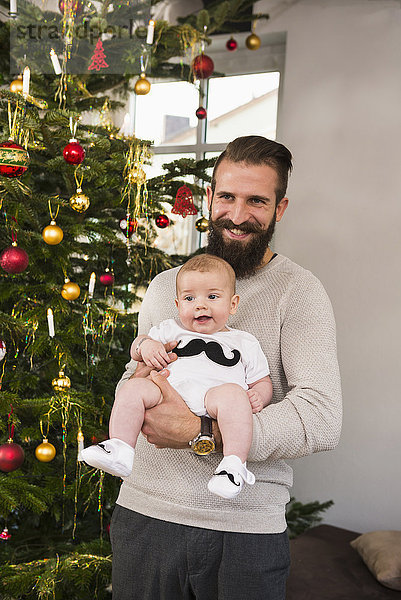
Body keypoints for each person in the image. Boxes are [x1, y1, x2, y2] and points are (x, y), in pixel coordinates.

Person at [110, 136, 342, 600]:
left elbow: (321, 417)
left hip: (243, 531)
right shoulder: (165, 287)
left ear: (281, 207)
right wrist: (142, 378)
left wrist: (200, 430)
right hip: (144, 516)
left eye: (256, 200)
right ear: (210, 197)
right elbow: (134, 375)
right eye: (226, 197)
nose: (237, 215)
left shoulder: (300, 292)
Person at [80, 254, 273, 499]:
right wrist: (146, 347)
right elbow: (138, 346)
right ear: (178, 303)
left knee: (235, 397)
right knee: (134, 388)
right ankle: (120, 447)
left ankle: (233, 466)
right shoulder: (169, 329)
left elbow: (262, 381)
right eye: (189, 298)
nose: (200, 305)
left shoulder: (244, 341)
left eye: (212, 297)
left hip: (214, 400)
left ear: (233, 304)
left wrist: (259, 396)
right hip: (166, 392)